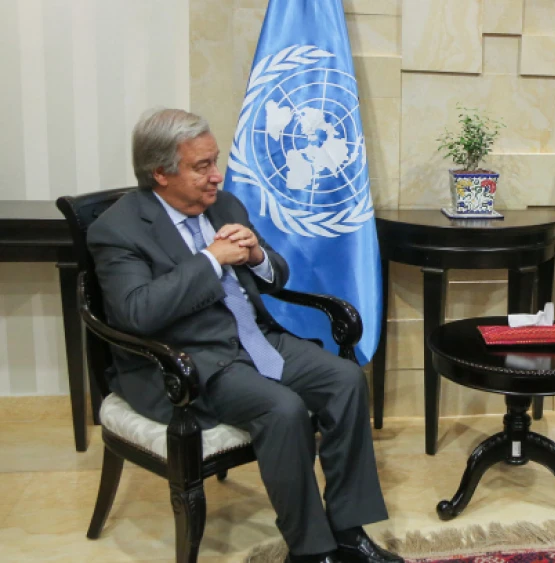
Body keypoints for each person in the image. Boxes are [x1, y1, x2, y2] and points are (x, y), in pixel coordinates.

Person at [88, 108, 401, 563]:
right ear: (160, 173)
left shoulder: (225, 206)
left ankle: (348, 530)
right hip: (191, 360)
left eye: (215, 161)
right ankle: (312, 551)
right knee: (284, 409)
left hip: (255, 337)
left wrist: (255, 255)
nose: (217, 176)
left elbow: (276, 277)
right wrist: (211, 260)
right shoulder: (118, 230)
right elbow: (136, 312)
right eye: (202, 167)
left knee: (347, 382)